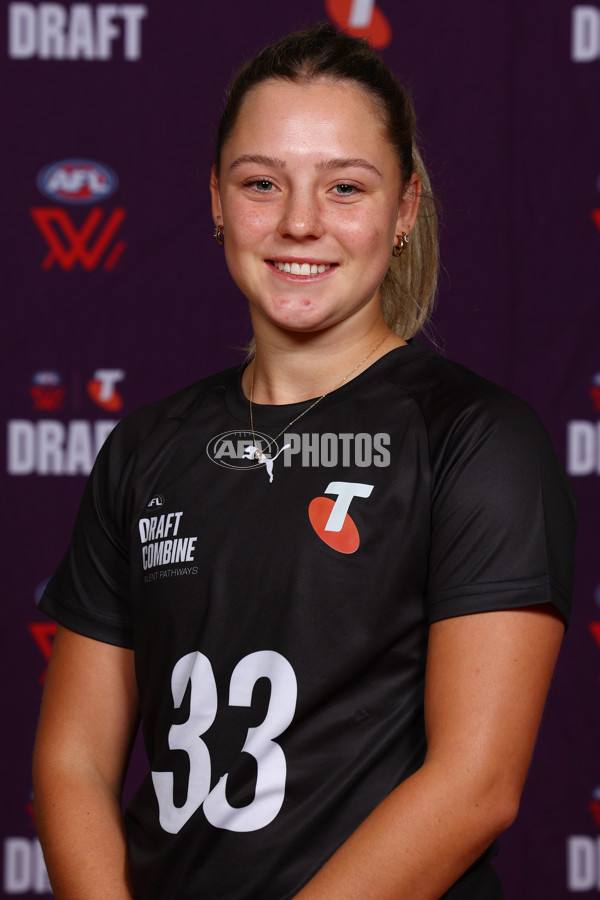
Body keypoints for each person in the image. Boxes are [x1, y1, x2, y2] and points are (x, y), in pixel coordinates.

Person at [33, 23, 576, 900]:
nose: (298, 222)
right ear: (216, 200)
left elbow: (475, 787)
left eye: (345, 187)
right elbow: (74, 762)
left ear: (405, 210)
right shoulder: (146, 448)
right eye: (262, 183)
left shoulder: (475, 439)